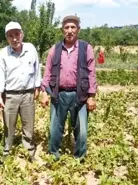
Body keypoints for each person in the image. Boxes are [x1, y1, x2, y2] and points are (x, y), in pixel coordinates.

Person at [40, 15, 97, 161]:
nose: (69, 30)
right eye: (66, 27)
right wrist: (44, 92)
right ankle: (54, 155)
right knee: (55, 129)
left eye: (73, 27)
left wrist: (91, 96)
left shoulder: (86, 48)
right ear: (62, 30)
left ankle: (79, 157)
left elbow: (91, 73)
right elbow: (47, 72)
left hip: (80, 94)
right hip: (58, 94)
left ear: (78, 29)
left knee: (82, 130)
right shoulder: (55, 49)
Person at [0, 21, 41, 161]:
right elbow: (0, 77)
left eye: (17, 34)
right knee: (9, 124)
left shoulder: (31, 49)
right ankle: (7, 149)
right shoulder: (3, 53)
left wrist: (37, 87)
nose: (14, 38)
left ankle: (29, 149)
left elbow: (37, 69)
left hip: (27, 93)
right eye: (10, 36)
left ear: (22, 34)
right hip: (10, 95)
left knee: (28, 123)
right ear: (6, 38)